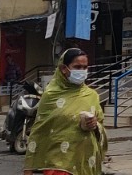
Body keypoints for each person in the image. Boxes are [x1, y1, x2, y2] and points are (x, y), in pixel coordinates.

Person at [25, 47, 106, 175]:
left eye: (85, 67)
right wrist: (29, 167)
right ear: (64, 69)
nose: (82, 71)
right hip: (58, 164)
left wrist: (95, 125)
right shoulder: (51, 95)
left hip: (85, 160)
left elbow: (101, 126)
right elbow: (39, 131)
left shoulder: (92, 96)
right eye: (77, 67)